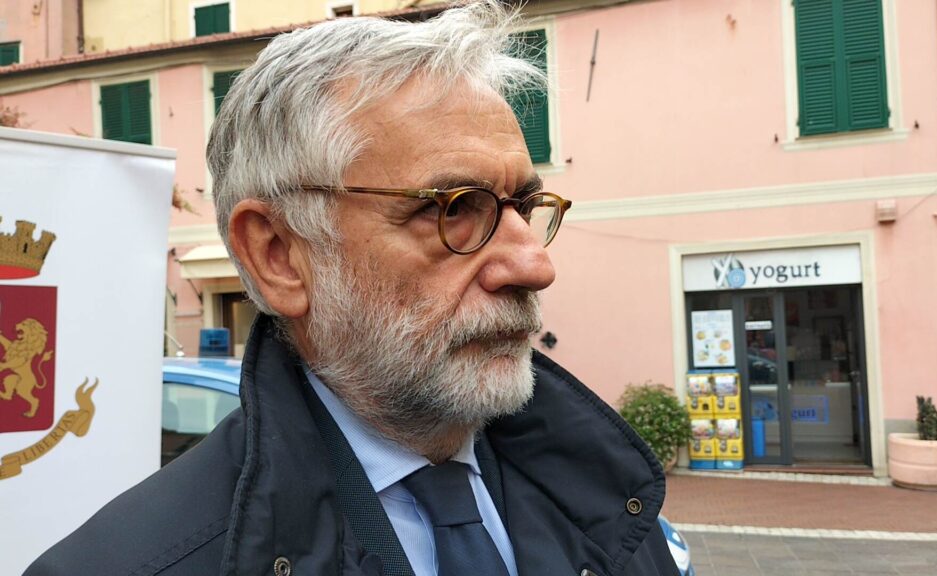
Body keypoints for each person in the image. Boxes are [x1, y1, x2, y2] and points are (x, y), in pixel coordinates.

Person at [26, 2, 677, 574]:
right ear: (279, 256)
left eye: (524, 208)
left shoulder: (609, 503)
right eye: (454, 208)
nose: (534, 265)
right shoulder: (127, 565)